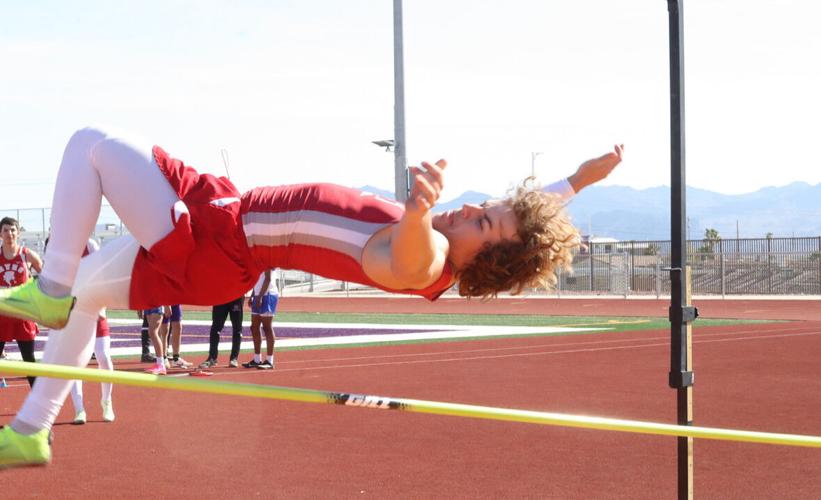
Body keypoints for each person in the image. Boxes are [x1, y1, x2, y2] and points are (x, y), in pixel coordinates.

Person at [0, 125, 622, 468]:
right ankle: (32, 428)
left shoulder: (426, 253)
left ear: (486, 258)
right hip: (224, 245)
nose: (477, 208)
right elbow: (517, 226)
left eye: (484, 223)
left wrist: (417, 210)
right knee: (87, 296)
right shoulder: (448, 247)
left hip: (220, 244)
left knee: (91, 146)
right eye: (490, 205)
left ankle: (50, 287)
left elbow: (411, 256)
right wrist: (577, 181)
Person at [66, 238, 116, 424]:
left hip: (95, 309)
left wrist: (100, 307)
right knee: (75, 363)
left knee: (103, 357)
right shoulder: (62, 248)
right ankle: (79, 409)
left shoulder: (90, 245)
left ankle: (107, 401)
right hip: (74, 313)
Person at [0, 217, 44, 388]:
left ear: (18, 233)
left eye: (12, 230)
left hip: (23, 314)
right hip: (2, 314)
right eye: (5, 230)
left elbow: (46, 279)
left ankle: (38, 402)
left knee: (29, 360)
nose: (9, 233)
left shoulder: (28, 255)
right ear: (0, 234)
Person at [242, 269, 279, 370]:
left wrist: (260, 297)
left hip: (268, 295)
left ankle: (270, 361)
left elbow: (268, 278)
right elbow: (257, 280)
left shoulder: (268, 260)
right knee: (254, 327)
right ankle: (257, 359)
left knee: (267, 327)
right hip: (259, 295)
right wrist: (253, 296)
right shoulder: (257, 261)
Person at [199, 297, 244, 369]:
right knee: (215, 329)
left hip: (236, 297)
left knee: (237, 329)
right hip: (220, 298)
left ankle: (234, 358)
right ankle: (212, 358)